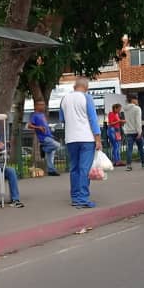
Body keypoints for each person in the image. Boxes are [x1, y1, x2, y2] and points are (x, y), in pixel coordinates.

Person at [59, 77, 102, 208]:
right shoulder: (87, 98)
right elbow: (93, 119)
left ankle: (75, 197)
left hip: (71, 139)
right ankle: (83, 198)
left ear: (74, 86)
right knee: (84, 169)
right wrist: (98, 139)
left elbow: (62, 119)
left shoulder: (64, 99)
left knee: (74, 168)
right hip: (86, 138)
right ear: (86, 87)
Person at [26, 101, 60, 176]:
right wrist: (38, 127)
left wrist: (51, 135)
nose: (44, 106)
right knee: (57, 145)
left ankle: (51, 171)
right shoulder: (34, 115)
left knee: (50, 155)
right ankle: (44, 149)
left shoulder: (42, 115)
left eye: (44, 105)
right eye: (42, 105)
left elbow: (45, 126)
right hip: (43, 137)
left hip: (49, 136)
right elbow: (29, 125)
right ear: (37, 106)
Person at [122, 97, 144, 171]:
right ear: (133, 100)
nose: (137, 101)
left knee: (129, 149)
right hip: (136, 131)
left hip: (128, 131)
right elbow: (138, 121)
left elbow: (125, 120)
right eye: (136, 99)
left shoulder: (125, 109)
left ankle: (129, 165)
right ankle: (143, 163)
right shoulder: (137, 108)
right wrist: (140, 132)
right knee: (140, 148)